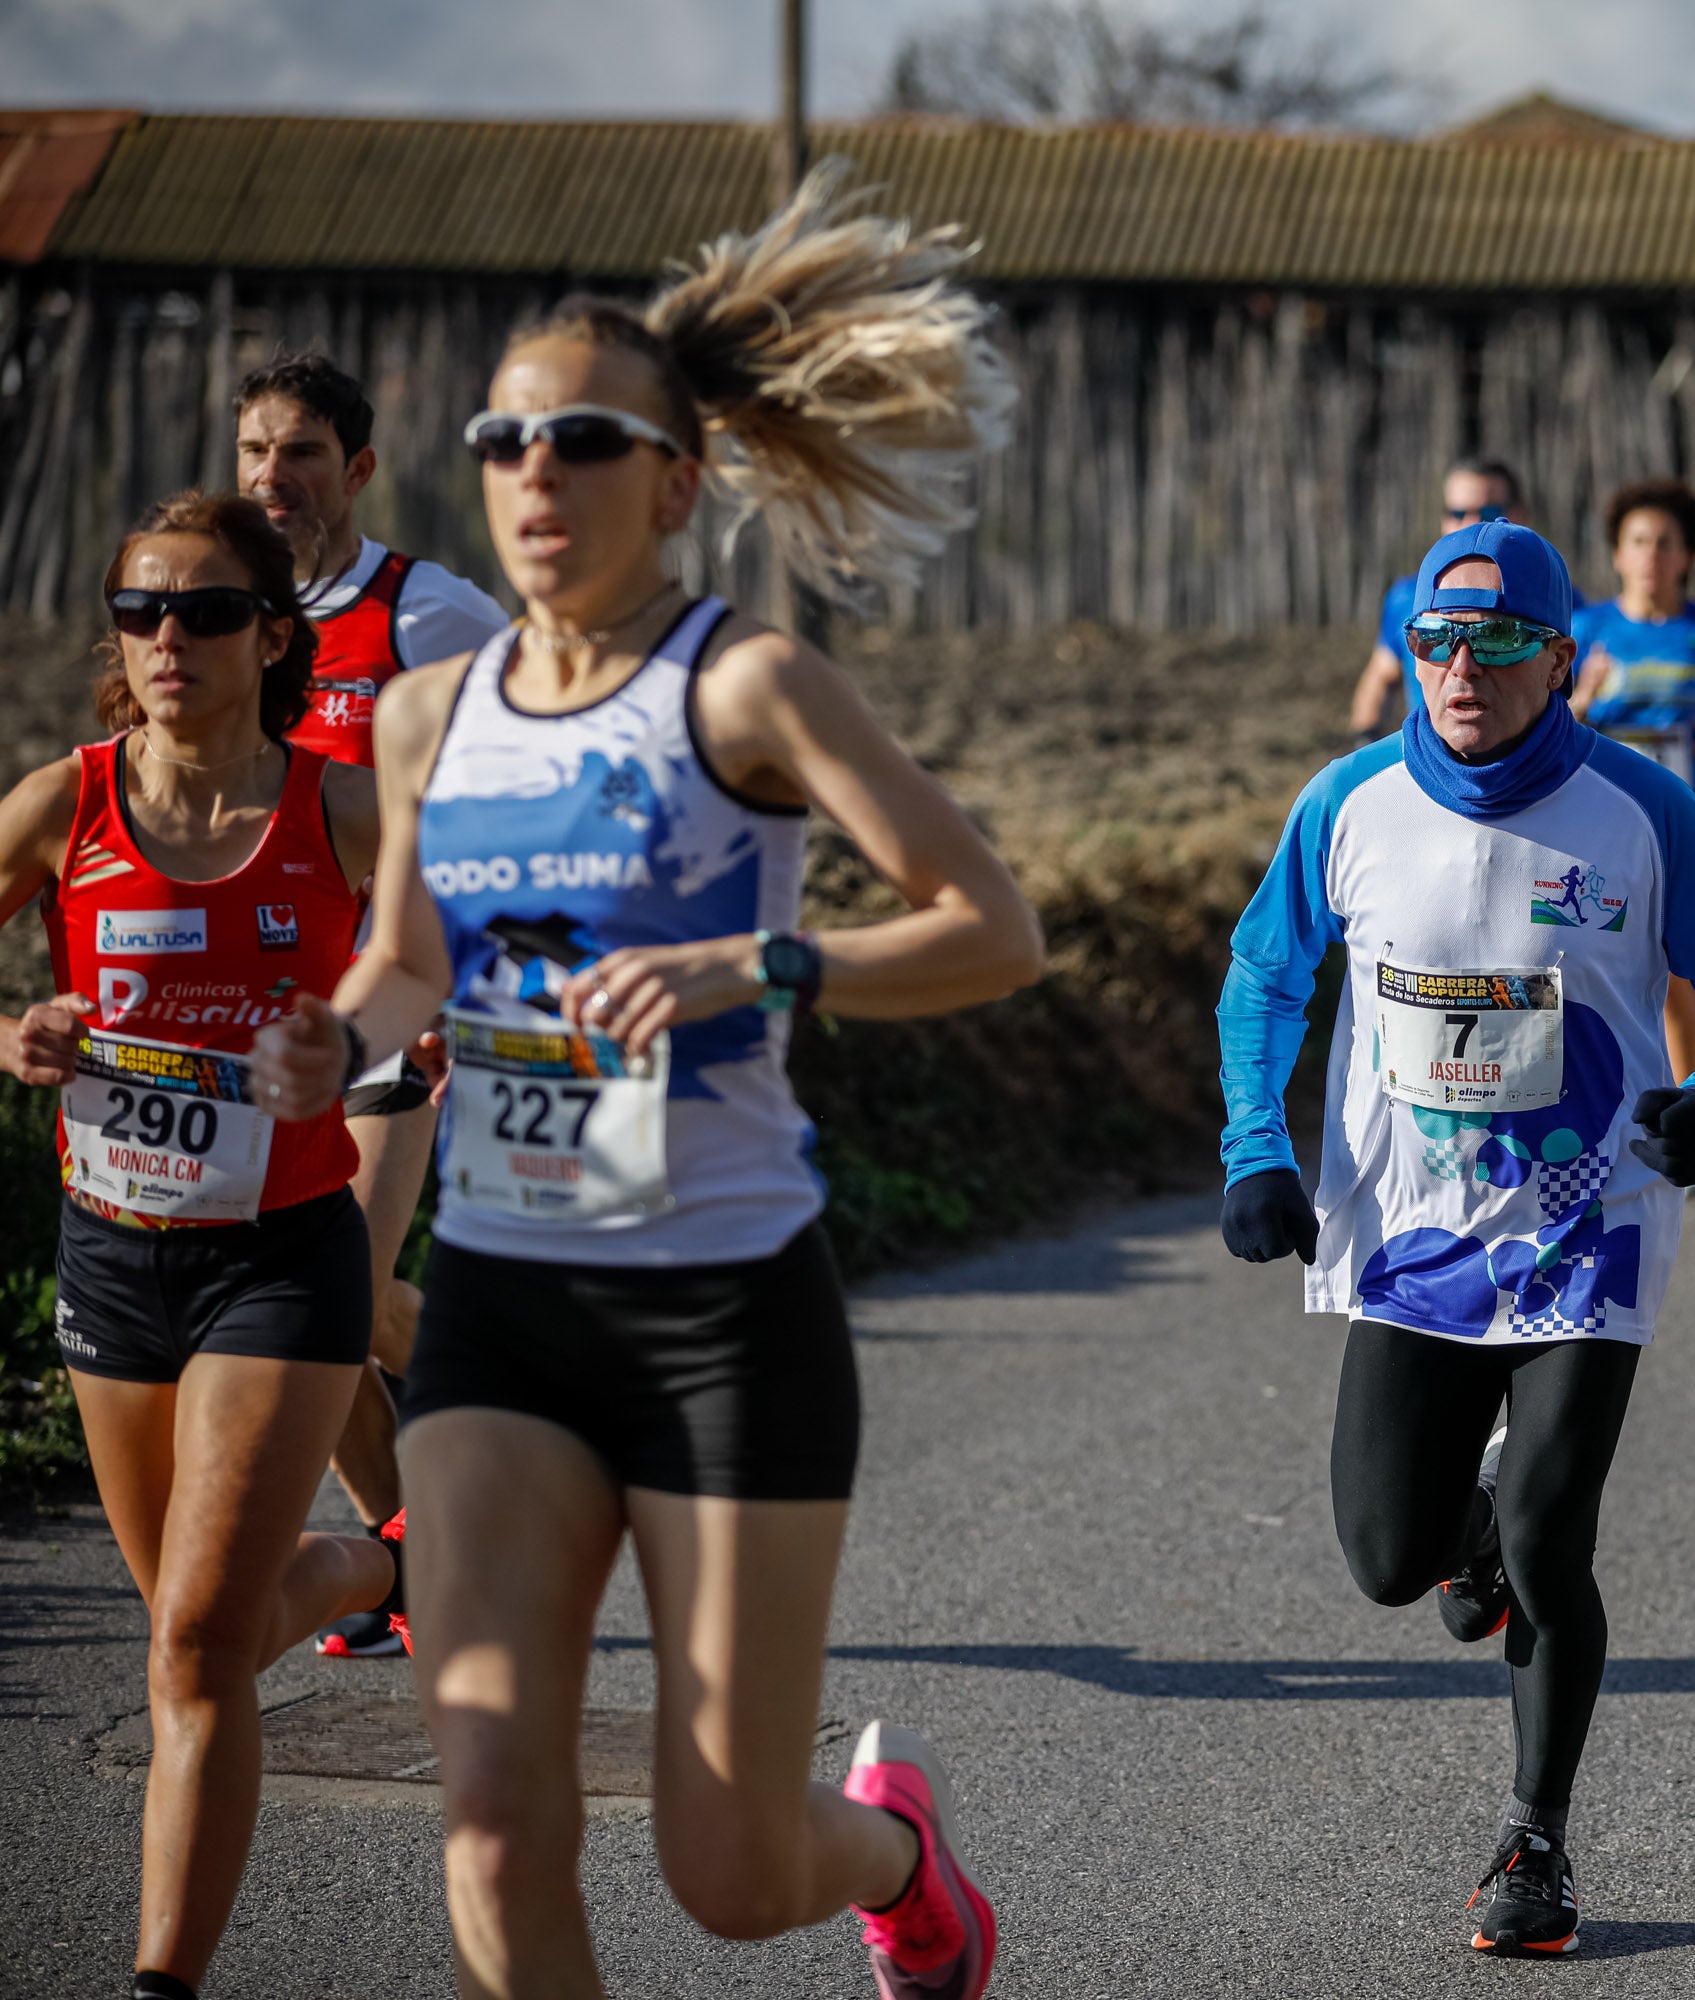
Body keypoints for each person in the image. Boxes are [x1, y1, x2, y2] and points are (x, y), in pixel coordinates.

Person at [249, 170, 1046, 2000]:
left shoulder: (747, 686)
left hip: (720, 1318)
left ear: (673, 481)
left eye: (583, 439)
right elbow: (408, 964)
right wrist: (332, 1040)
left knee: (731, 1868)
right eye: (506, 436)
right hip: (508, 1310)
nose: (535, 471)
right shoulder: (430, 711)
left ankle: (904, 1858)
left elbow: (989, 927)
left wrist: (765, 963)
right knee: (496, 1820)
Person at [1215, 517, 1695, 1958]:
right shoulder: (1348, 803)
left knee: (1551, 1536)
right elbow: (1262, 982)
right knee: (1382, 1557)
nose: (1459, 667)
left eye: (1493, 641)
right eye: (1432, 640)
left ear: (1561, 655)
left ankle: (1533, 1843)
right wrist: (1256, 1151)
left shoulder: (1642, 808)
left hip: (1587, 1234)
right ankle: (1458, 1532)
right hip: (1412, 1237)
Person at [0, 492, 399, 2000]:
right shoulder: (68, 803)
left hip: (280, 1255)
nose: (169, 637)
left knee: (189, 1646)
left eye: (209, 611)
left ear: (271, 635)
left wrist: (361, 1044)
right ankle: (373, 1565)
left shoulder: (339, 811)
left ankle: (163, 1978)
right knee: (195, 1622)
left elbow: (459, 959)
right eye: (140, 610)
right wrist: (10, 1034)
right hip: (109, 1250)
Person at [231, 349, 514, 1660]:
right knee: (323, 1298)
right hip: (250, 1020)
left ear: (354, 471)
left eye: (297, 454)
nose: (271, 478)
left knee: (330, 1289)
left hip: (397, 1008)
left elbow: (518, 791)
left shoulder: (430, 612)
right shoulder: (220, 613)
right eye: (252, 454)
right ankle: (421, 1558)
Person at [1569, 478, 1695, 1076]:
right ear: (1617, 553)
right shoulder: (1586, 626)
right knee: (1594, 967)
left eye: (1665, 543)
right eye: (1638, 541)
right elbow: (1550, 723)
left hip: (1689, 818)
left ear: (1687, 555)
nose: (1651, 555)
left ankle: (1684, 1109)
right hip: (1599, 824)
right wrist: (1583, 696)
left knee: (1680, 979)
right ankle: (1602, 1099)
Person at [1351, 457, 1523, 741]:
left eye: (1488, 511)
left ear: (1519, 514)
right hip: (1429, 766)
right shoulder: (1407, 597)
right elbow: (1380, 677)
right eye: (1458, 513)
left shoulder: (1554, 602)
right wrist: (1365, 745)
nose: (1471, 523)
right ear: (1444, 519)